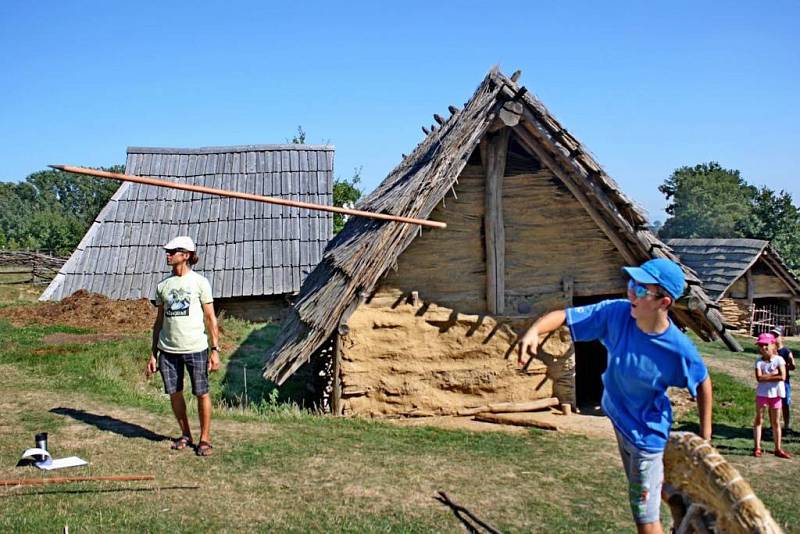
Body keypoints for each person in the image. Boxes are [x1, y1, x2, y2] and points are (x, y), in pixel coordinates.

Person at [517, 258, 712, 534]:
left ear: (663, 302)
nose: (631, 292)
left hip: (647, 437)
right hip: (621, 422)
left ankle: (676, 504)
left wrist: (706, 437)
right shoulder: (617, 314)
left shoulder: (677, 350)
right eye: (632, 284)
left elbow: (703, 382)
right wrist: (534, 331)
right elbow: (564, 315)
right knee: (640, 488)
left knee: (644, 518)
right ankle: (677, 497)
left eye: (642, 290)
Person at [146, 236, 220, 457]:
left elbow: (210, 317)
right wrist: (153, 354)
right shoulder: (163, 286)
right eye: (167, 251)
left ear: (186, 255)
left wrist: (215, 350)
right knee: (174, 393)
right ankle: (185, 434)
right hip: (168, 351)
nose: (167, 254)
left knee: (202, 393)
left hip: (196, 348)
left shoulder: (200, 282)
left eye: (172, 251)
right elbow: (159, 322)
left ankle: (204, 439)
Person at [753, 332, 790, 459]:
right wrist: (774, 375)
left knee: (775, 422)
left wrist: (766, 377)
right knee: (759, 420)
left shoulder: (779, 360)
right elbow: (759, 378)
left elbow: (783, 376)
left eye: (765, 345)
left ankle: (778, 448)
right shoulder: (759, 361)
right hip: (762, 394)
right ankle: (757, 447)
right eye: (760, 345)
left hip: (776, 395)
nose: (763, 348)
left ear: (772, 345)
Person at [769, 326, 795, 434]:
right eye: (773, 335)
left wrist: (785, 367)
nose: (774, 338)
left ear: (782, 337)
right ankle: (773, 425)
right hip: (773, 381)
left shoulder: (786, 351)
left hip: (784, 382)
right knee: (773, 403)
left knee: (785, 404)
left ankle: (787, 425)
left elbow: (793, 365)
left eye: (777, 335)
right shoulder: (771, 351)